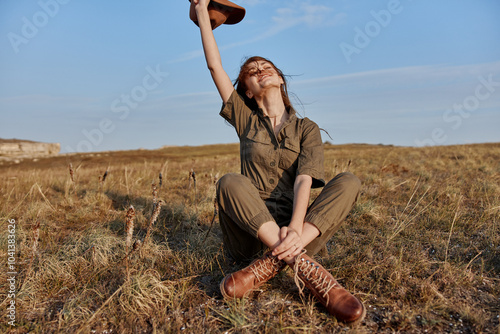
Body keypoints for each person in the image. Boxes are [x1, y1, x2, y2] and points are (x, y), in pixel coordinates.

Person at [192, 0, 366, 324]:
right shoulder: (245, 120)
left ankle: (273, 263)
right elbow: (215, 67)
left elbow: (305, 179)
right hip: (250, 231)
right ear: (246, 90)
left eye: (265, 66)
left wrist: (296, 231)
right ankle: (306, 269)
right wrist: (203, 11)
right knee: (229, 182)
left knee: (349, 182)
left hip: (298, 230)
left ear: (281, 79)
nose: (260, 70)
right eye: (251, 72)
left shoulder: (306, 128)